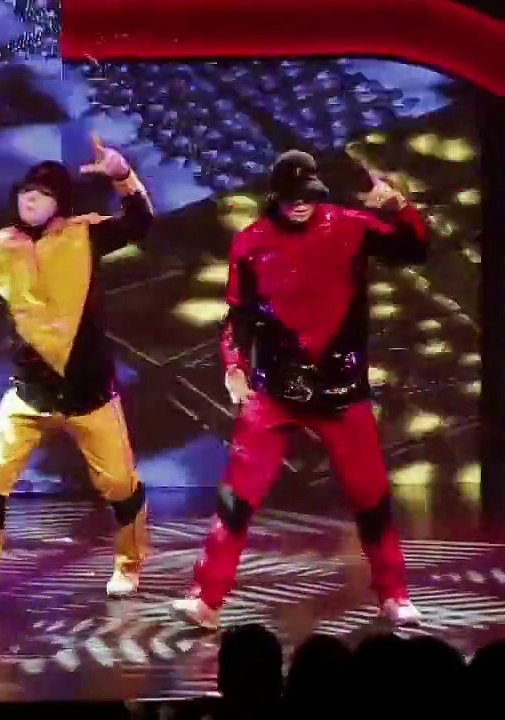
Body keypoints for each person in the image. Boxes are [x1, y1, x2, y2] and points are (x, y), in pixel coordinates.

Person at [171, 150, 428, 630]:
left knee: (370, 498)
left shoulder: (349, 225)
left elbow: (413, 249)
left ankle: (394, 594)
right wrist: (233, 366)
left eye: (307, 196)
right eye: (290, 198)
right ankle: (206, 598)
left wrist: (397, 207)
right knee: (237, 496)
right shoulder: (251, 242)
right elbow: (238, 316)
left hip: (341, 390)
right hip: (273, 391)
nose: (300, 205)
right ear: (276, 197)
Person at [0, 136, 155, 613]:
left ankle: (129, 565)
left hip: (90, 392)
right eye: (25, 191)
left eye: (42, 194)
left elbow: (140, 222)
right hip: (29, 394)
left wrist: (122, 175)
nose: (30, 199)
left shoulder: (85, 234)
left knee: (120, 484)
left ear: (60, 202)